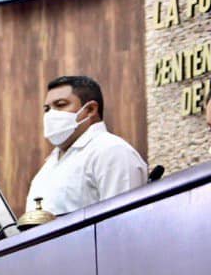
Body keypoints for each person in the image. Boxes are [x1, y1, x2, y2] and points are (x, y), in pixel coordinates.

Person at [28, 75, 146, 215]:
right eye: (47, 109)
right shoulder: (50, 164)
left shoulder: (111, 151)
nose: (51, 114)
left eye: (60, 105)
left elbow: (123, 221)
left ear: (90, 109)